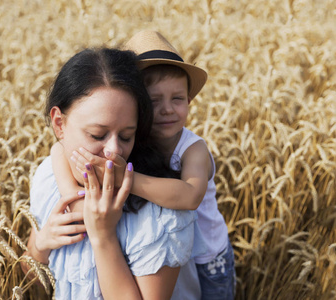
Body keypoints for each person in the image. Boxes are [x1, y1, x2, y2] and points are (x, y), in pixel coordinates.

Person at [22, 47, 205, 299]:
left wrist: (104, 237)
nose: (114, 151)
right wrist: (40, 245)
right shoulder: (48, 178)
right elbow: (29, 277)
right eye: (97, 135)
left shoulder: (159, 215)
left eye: (127, 136)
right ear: (59, 124)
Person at [69, 31, 236, 299]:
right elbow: (59, 149)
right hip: (174, 256)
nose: (167, 109)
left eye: (177, 99)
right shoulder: (131, 138)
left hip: (208, 260)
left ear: (190, 101)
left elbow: (190, 196)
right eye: (154, 101)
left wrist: (126, 178)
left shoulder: (194, 149)